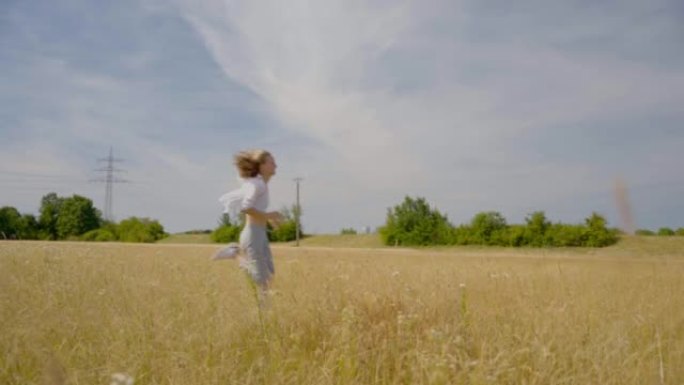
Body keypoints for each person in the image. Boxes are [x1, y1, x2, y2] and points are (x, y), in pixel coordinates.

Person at [215, 149, 283, 298]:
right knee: (261, 281)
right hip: (253, 235)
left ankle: (266, 312)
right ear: (262, 166)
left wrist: (270, 219)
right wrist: (269, 215)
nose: (276, 166)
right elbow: (245, 208)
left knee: (269, 275)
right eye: (272, 162)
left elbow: (255, 209)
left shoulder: (260, 184)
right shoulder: (257, 185)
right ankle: (234, 255)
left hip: (260, 234)